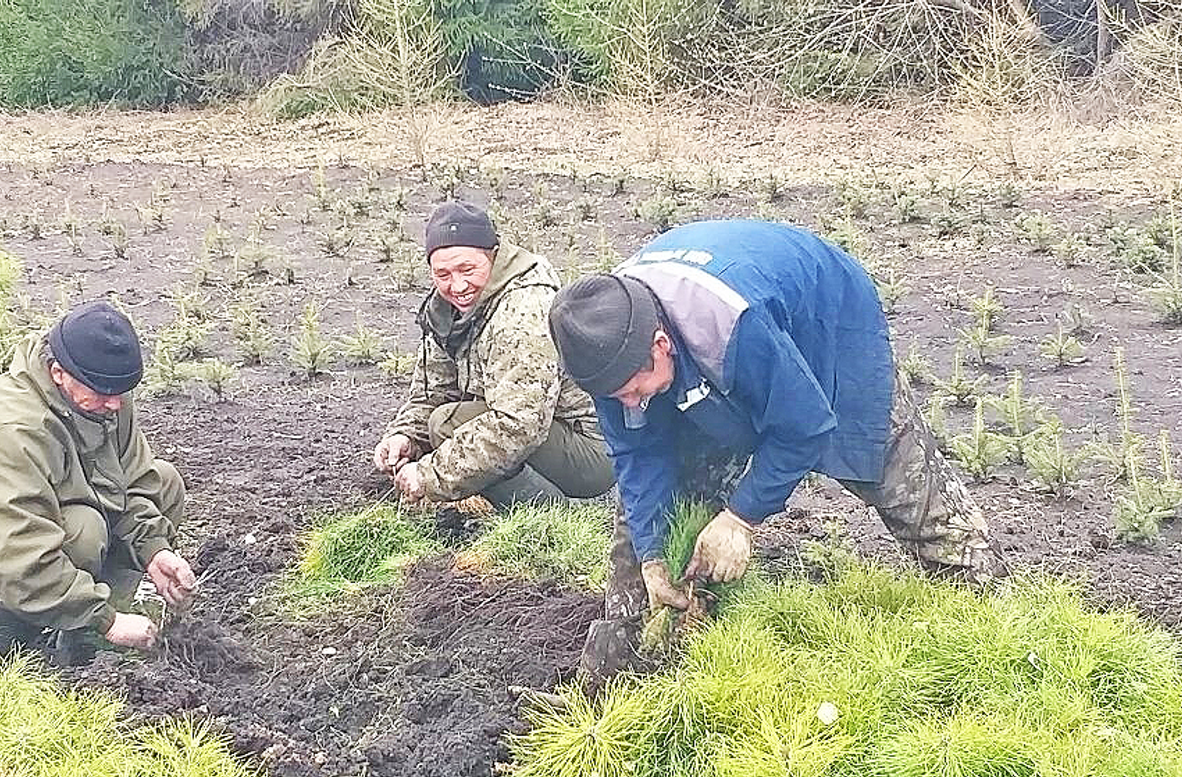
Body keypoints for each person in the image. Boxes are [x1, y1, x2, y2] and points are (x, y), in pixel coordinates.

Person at [546, 219, 1007, 680]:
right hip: (703, 360)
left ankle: (995, 628)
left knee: (905, 487)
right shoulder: (604, 347)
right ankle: (639, 665)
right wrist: (651, 553)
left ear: (660, 345)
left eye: (633, 389)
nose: (629, 403)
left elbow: (804, 427)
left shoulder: (732, 323)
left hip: (823, 329)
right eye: (617, 397)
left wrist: (740, 518)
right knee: (661, 522)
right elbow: (636, 455)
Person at [0, 300, 197, 663]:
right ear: (58, 373)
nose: (115, 405)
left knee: (166, 482)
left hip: (34, 535)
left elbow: (133, 481)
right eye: (103, 393)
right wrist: (104, 620)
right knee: (83, 531)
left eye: (121, 391)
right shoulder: (12, 430)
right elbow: (19, 554)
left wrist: (154, 549)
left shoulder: (103, 391)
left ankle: (87, 637)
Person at [374, 201, 615, 510]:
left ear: (493, 255)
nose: (457, 285)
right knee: (440, 421)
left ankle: (548, 517)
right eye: (442, 274)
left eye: (467, 270)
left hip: (590, 446)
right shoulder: (446, 311)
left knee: (447, 424)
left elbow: (519, 425)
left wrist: (429, 475)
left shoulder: (524, 311)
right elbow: (434, 391)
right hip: (541, 428)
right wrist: (405, 436)